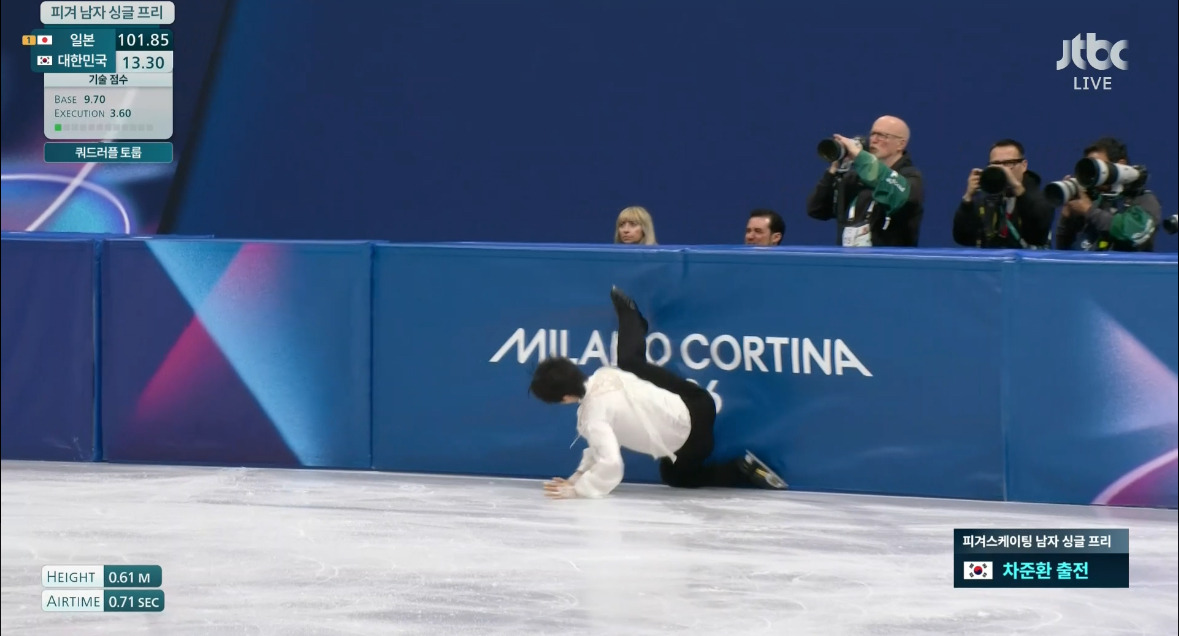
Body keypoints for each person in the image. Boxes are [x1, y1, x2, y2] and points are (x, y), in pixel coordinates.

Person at [528, 287, 787, 499]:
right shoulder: (605, 374)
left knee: (676, 476)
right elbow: (599, 449)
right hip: (698, 400)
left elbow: (610, 463)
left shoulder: (592, 418)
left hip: (693, 442)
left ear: (564, 399)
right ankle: (631, 318)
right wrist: (577, 477)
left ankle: (741, 469)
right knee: (629, 363)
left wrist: (579, 489)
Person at [805, 115, 924, 247]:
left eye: (882, 136)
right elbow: (817, 210)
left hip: (889, 258)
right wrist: (834, 170)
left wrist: (860, 156)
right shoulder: (854, 178)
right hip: (849, 258)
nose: (874, 140)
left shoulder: (911, 178)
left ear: (900, 144)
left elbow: (896, 194)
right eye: (872, 134)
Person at [952, 138, 1055, 249]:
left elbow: (1037, 236)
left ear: (1024, 165)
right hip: (992, 259)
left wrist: (1017, 187)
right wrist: (967, 199)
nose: (1003, 170)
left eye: (1009, 163)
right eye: (996, 164)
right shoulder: (986, 197)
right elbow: (963, 238)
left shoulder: (1041, 197)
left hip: (1028, 259)